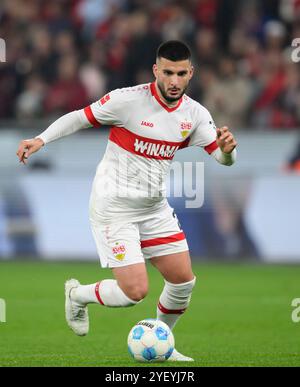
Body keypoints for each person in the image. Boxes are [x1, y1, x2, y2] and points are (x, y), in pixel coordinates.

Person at [16, 40, 237, 361]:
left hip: (153, 209)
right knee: (134, 292)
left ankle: (164, 343)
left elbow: (221, 157)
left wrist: (228, 151)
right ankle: (77, 294)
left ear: (191, 73)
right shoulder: (127, 100)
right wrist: (41, 139)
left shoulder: (196, 115)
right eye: (167, 73)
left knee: (183, 282)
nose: (174, 81)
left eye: (180, 74)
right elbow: (80, 117)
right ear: (155, 71)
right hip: (113, 208)